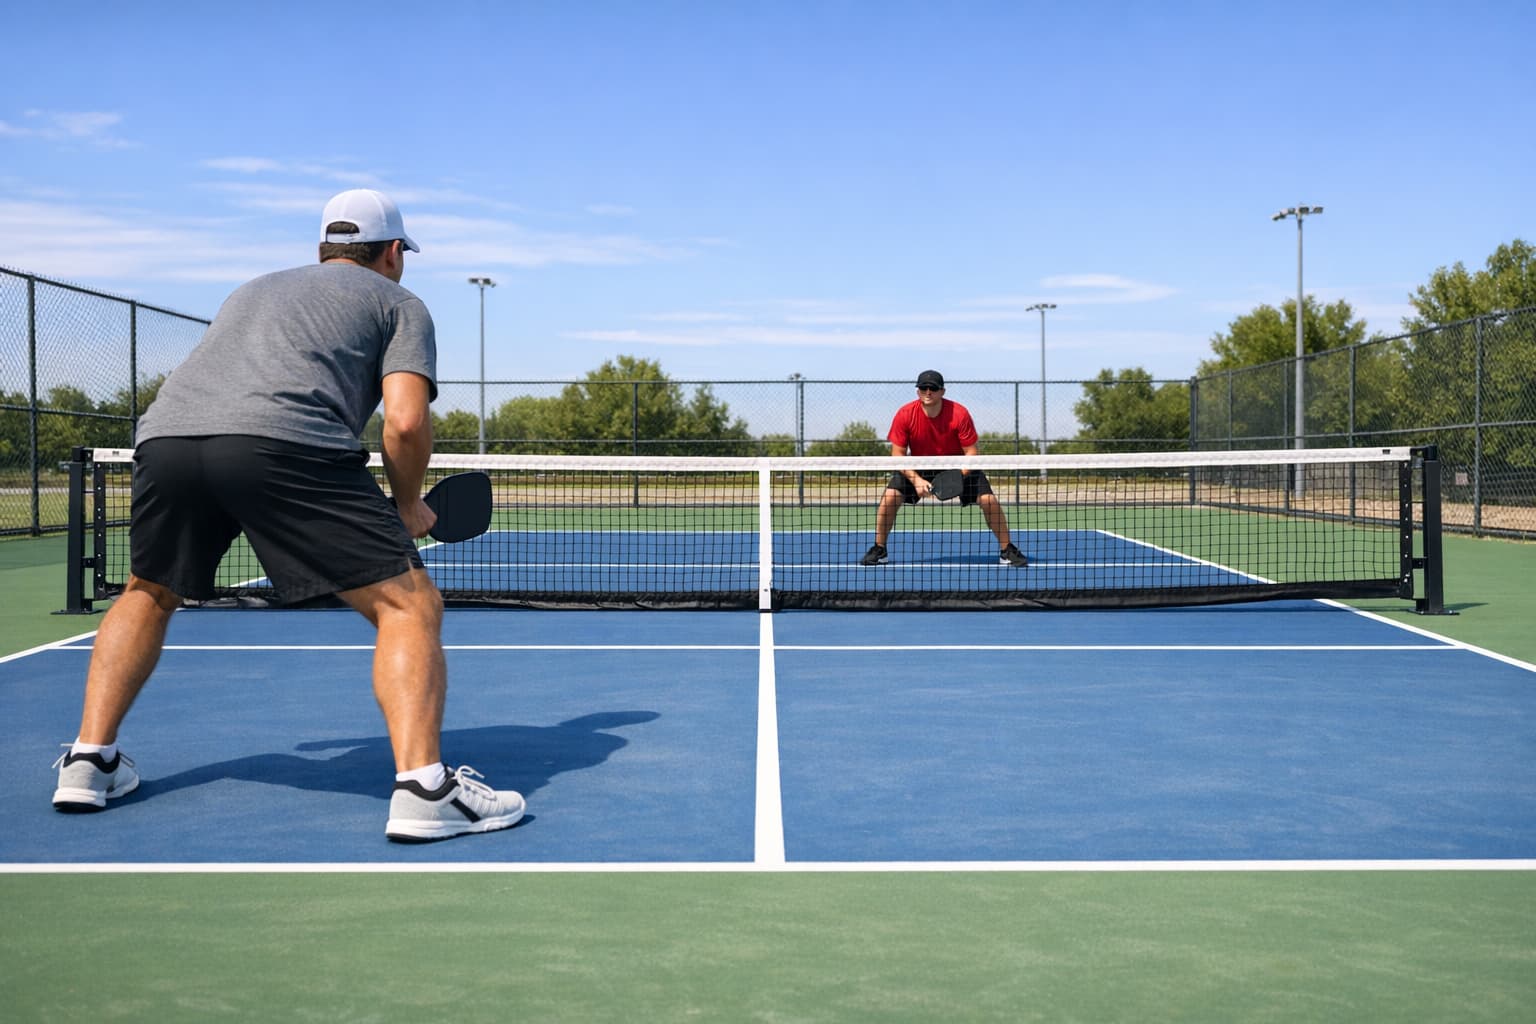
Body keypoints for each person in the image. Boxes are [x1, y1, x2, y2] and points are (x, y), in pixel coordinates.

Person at [50, 189, 525, 843]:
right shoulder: (400, 303)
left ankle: (88, 760)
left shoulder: (251, 290)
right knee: (408, 606)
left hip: (164, 440)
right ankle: (424, 789)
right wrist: (409, 503)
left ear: (324, 250)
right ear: (393, 253)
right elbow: (406, 422)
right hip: (286, 441)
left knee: (148, 591)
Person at [860, 369, 1028, 567]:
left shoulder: (959, 413)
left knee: (988, 500)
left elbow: (972, 453)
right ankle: (880, 548)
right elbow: (897, 455)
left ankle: (1006, 549)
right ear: (918, 392)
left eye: (933, 388)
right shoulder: (905, 414)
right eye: (923, 388)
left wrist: (955, 477)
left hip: (957, 466)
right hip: (918, 466)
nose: (928, 392)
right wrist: (915, 479)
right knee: (889, 498)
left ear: (942, 391)